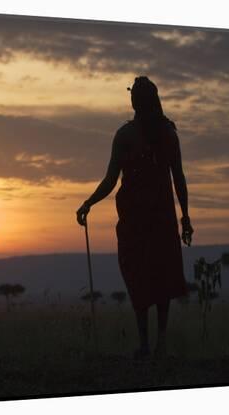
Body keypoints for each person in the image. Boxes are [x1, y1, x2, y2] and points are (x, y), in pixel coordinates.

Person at [76, 76, 193, 359]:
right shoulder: (167, 133)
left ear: (135, 102)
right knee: (157, 275)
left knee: (141, 275)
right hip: (156, 217)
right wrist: (185, 217)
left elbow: (111, 179)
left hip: (139, 220)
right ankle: (159, 342)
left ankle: (146, 343)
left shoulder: (128, 135)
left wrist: (88, 202)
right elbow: (179, 179)